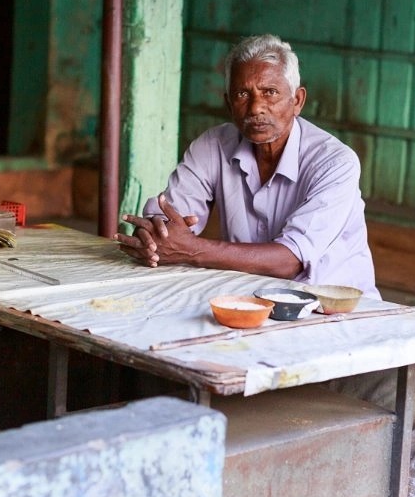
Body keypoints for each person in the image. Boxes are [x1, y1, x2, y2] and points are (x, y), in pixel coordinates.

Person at [113, 34, 380, 299]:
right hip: (248, 300)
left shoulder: (334, 162)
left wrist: (191, 249)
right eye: (243, 94)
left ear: (297, 100)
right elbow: (167, 224)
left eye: (270, 93)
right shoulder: (212, 145)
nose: (255, 108)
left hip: (334, 310)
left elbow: (289, 261)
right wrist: (154, 236)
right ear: (229, 103)